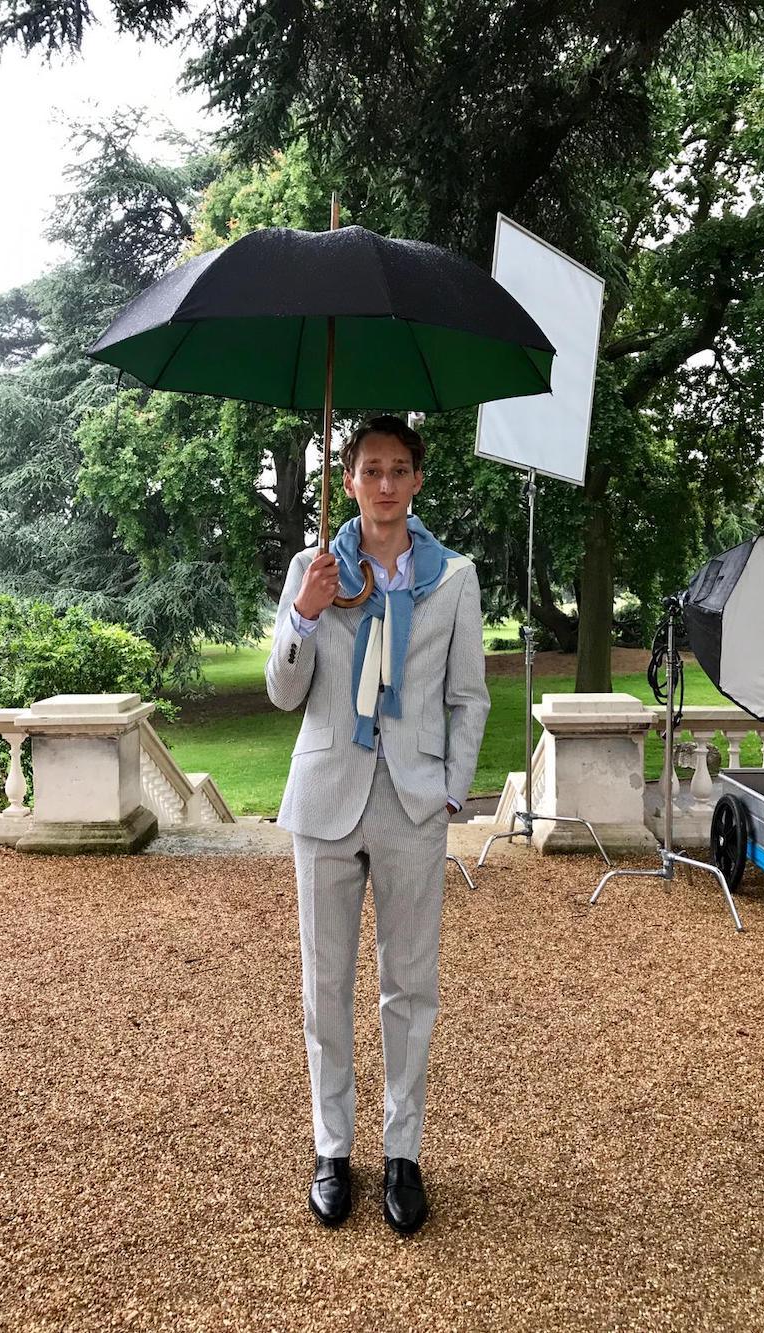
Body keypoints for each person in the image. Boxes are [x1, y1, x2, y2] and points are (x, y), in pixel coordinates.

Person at [264, 414, 490, 1235]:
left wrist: (451, 790)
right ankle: (332, 1148)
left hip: (412, 802)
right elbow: (283, 692)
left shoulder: (453, 577)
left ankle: (403, 1152)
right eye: (371, 469)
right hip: (326, 796)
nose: (385, 483)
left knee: (411, 985)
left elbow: (469, 696)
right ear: (350, 479)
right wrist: (305, 615)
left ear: (417, 480)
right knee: (324, 985)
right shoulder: (313, 569)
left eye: (399, 469)